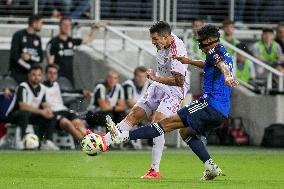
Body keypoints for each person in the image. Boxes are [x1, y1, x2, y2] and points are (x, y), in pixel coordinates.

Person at [103, 25, 239, 180]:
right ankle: (210, 167)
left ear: (209, 40)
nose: (200, 45)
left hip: (209, 104)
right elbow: (211, 63)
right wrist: (189, 61)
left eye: (201, 41)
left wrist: (227, 76)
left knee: (163, 124)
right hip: (221, 112)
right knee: (186, 132)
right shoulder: (220, 51)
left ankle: (122, 137)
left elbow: (221, 65)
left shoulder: (215, 52)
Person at [94, 21, 190, 179]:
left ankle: (154, 170)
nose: (153, 42)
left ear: (166, 37)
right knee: (134, 115)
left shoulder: (177, 50)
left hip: (174, 92)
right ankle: (104, 142)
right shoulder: (162, 44)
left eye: (155, 39)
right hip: (158, 85)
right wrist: (157, 79)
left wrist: (155, 77)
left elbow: (179, 81)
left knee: (157, 122)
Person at [5, 65, 59, 150]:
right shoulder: (23, 87)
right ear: (29, 75)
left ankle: (47, 141)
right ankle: (22, 140)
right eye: (34, 75)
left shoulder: (42, 88)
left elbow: (44, 103)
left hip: (31, 115)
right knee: (25, 113)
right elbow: (23, 106)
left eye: (39, 75)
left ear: (41, 76)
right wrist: (41, 112)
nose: (36, 77)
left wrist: (48, 110)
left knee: (53, 115)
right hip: (15, 115)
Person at [46, 16, 101, 86]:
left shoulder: (71, 40)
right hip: (58, 76)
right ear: (59, 26)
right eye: (64, 25)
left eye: (69, 25)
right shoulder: (53, 43)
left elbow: (88, 39)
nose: (67, 27)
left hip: (70, 75)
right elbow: (50, 65)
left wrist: (96, 28)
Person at [43, 64, 87, 141]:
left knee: (78, 123)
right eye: (50, 73)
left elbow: (68, 92)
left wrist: (81, 91)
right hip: (53, 114)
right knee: (68, 124)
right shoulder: (41, 87)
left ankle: (93, 141)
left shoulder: (56, 85)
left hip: (64, 111)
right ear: (46, 74)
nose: (52, 75)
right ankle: (84, 143)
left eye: (55, 73)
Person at [9, 14, 43, 83]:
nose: (42, 25)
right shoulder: (18, 35)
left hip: (32, 75)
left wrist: (30, 57)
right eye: (41, 23)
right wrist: (28, 66)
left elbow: (40, 58)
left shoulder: (37, 38)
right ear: (34, 23)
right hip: (17, 73)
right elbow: (14, 55)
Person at [122, 66, 150, 150]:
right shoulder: (128, 85)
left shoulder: (149, 85)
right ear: (134, 76)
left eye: (143, 76)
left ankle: (152, 143)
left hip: (143, 111)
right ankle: (128, 141)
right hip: (127, 111)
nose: (141, 79)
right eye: (139, 76)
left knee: (158, 117)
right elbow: (129, 103)